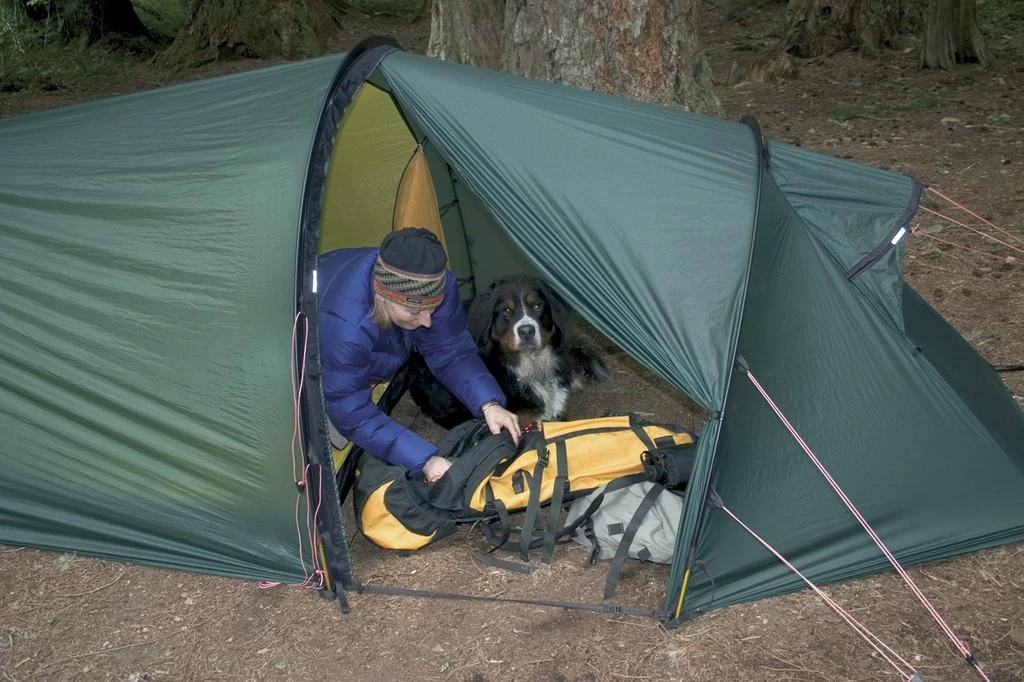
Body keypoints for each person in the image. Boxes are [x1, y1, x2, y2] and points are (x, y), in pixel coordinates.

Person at [317, 227, 521, 483]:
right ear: (384, 296)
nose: (427, 321)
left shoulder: (433, 283)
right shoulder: (346, 326)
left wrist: (489, 404)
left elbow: (450, 350)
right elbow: (353, 413)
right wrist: (425, 460)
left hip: (357, 327)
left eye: (432, 309)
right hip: (298, 327)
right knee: (338, 408)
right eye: (414, 312)